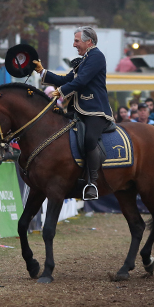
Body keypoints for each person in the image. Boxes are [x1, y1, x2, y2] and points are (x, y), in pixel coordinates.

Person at [33, 26, 113, 199]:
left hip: (95, 110)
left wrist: (59, 91)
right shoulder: (85, 59)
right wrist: (42, 72)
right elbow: (65, 80)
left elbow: (82, 81)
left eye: (77, 41)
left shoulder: (96, 56)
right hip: (78, 109)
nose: (74, 44)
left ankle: (93, 182)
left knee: (90, 139)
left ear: (88, 41)